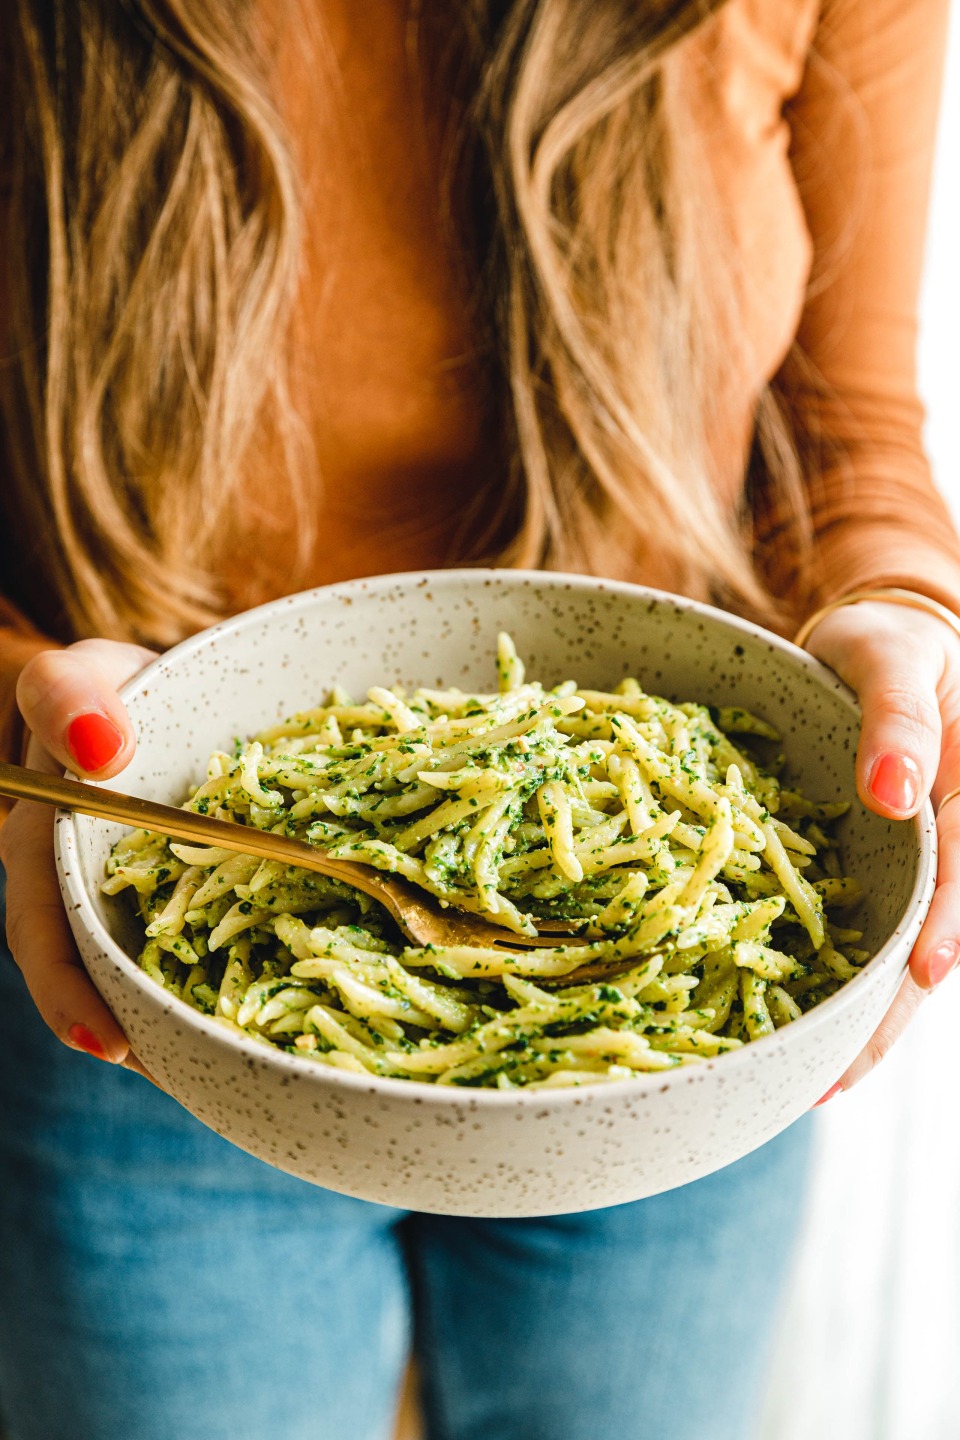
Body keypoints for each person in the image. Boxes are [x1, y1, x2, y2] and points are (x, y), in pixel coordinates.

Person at [1, 2, 958, 1438]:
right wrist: (21, 696)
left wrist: (910, 615)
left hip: (691, 1085)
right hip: (141, 995)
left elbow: (842, 424)